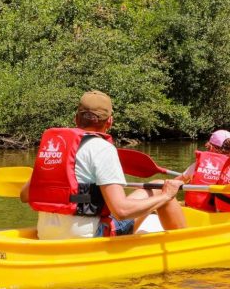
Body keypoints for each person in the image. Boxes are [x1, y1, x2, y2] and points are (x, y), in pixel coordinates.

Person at [19, 90, 186, 239]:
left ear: (76, 119)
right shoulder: (103, 149)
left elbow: (25, 195)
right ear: (110, 122)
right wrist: (167, 195)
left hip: (46, 233)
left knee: (156, 187)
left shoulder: (56, 147)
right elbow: (121, 211)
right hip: (85, 235)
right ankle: (185, 246)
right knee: (159, 187)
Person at [182, 129, 230, 211]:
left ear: (211, 147)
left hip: (193, 210)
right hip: (217, 213)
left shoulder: (198, 164)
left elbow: (178, 182)